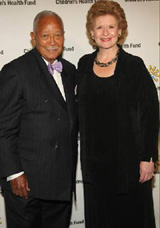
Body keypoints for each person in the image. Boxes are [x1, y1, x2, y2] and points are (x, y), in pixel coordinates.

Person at [77, 1, 159, 227]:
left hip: (129, 164)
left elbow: (151, 113)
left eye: (111, 27)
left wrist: (148, 157)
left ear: (120, 30)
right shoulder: (83, 65)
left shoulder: (134, 65)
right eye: (99, 27)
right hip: (95, 166)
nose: (105, 33)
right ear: (91, 32)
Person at [0, 10, 78, 228]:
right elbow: (3, 128)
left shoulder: (70, 71)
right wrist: (14, 173)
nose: (52, 42)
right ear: (33, 37)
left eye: (58, 35)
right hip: (26, 184)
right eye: (45, 36)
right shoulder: (15, 71)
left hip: (61, 182)